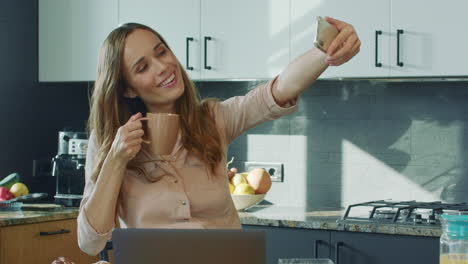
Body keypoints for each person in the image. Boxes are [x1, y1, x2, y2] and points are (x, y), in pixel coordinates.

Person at [77, 17, 360, 256]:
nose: (162, 66)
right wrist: (116, 160)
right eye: (142, 67)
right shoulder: (110, 144)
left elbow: (276, 92)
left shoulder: (212, 120)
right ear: (127, 89)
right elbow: (90, 243)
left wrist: (326, 52)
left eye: (161, 52)